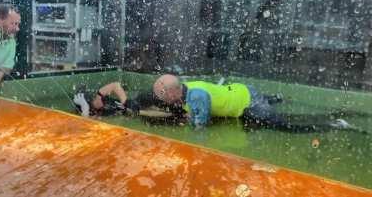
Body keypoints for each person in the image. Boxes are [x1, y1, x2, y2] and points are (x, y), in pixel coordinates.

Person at [153, 74, 356, 132]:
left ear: (173, 93)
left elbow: (201, 125)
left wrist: (188, 127)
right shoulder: (187, 86)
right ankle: (276, 98)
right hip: (241, 89)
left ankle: (335, 124)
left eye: (163, 96)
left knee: (286, 126)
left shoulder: (196, 96)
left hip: (248, 103)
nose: (162, 100)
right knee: (276, 116)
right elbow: (195, 108)